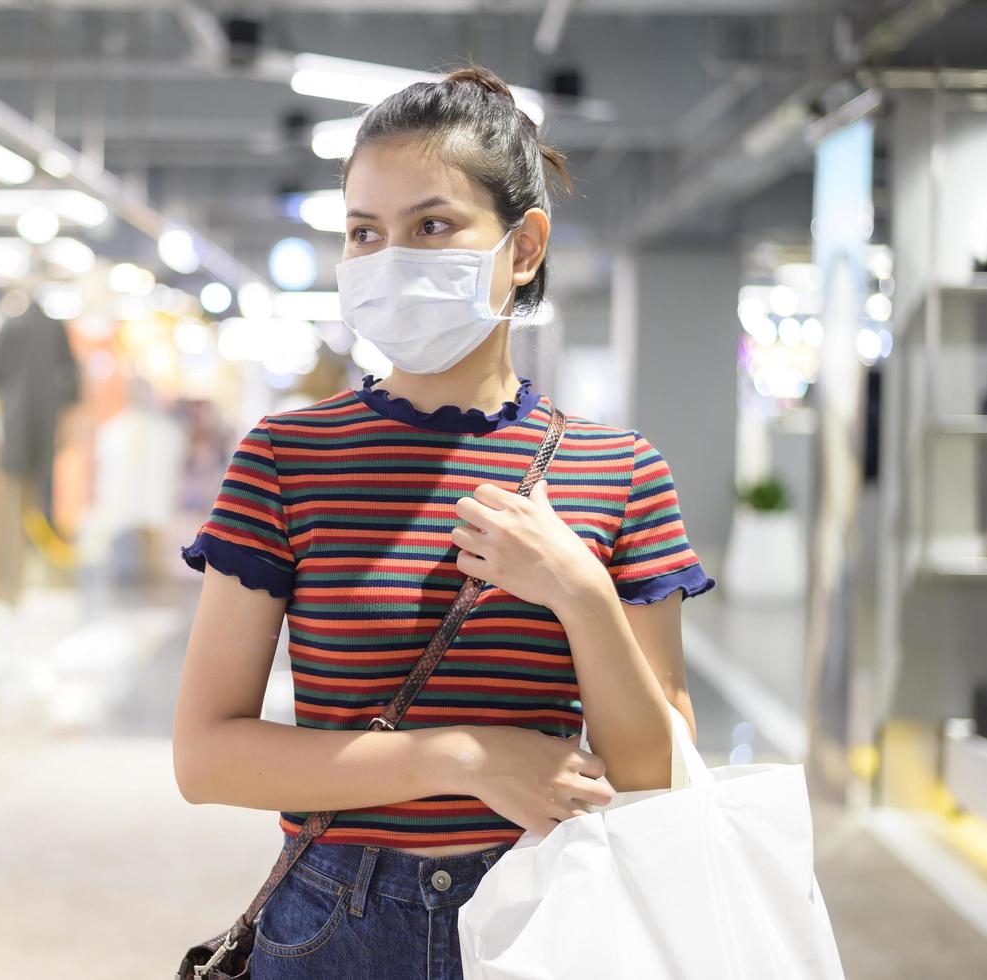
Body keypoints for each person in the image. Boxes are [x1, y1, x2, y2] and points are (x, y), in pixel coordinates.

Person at [172, 63, 716, 978]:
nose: (390, 259)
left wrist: (580, 593)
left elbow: (657, 774)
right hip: (332, 923)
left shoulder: (619, 470)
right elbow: (207, 758)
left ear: (524, 245)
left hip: (547, 912)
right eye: (363, 233)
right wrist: (463, 757)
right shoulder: (285, 458)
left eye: (431, 225)